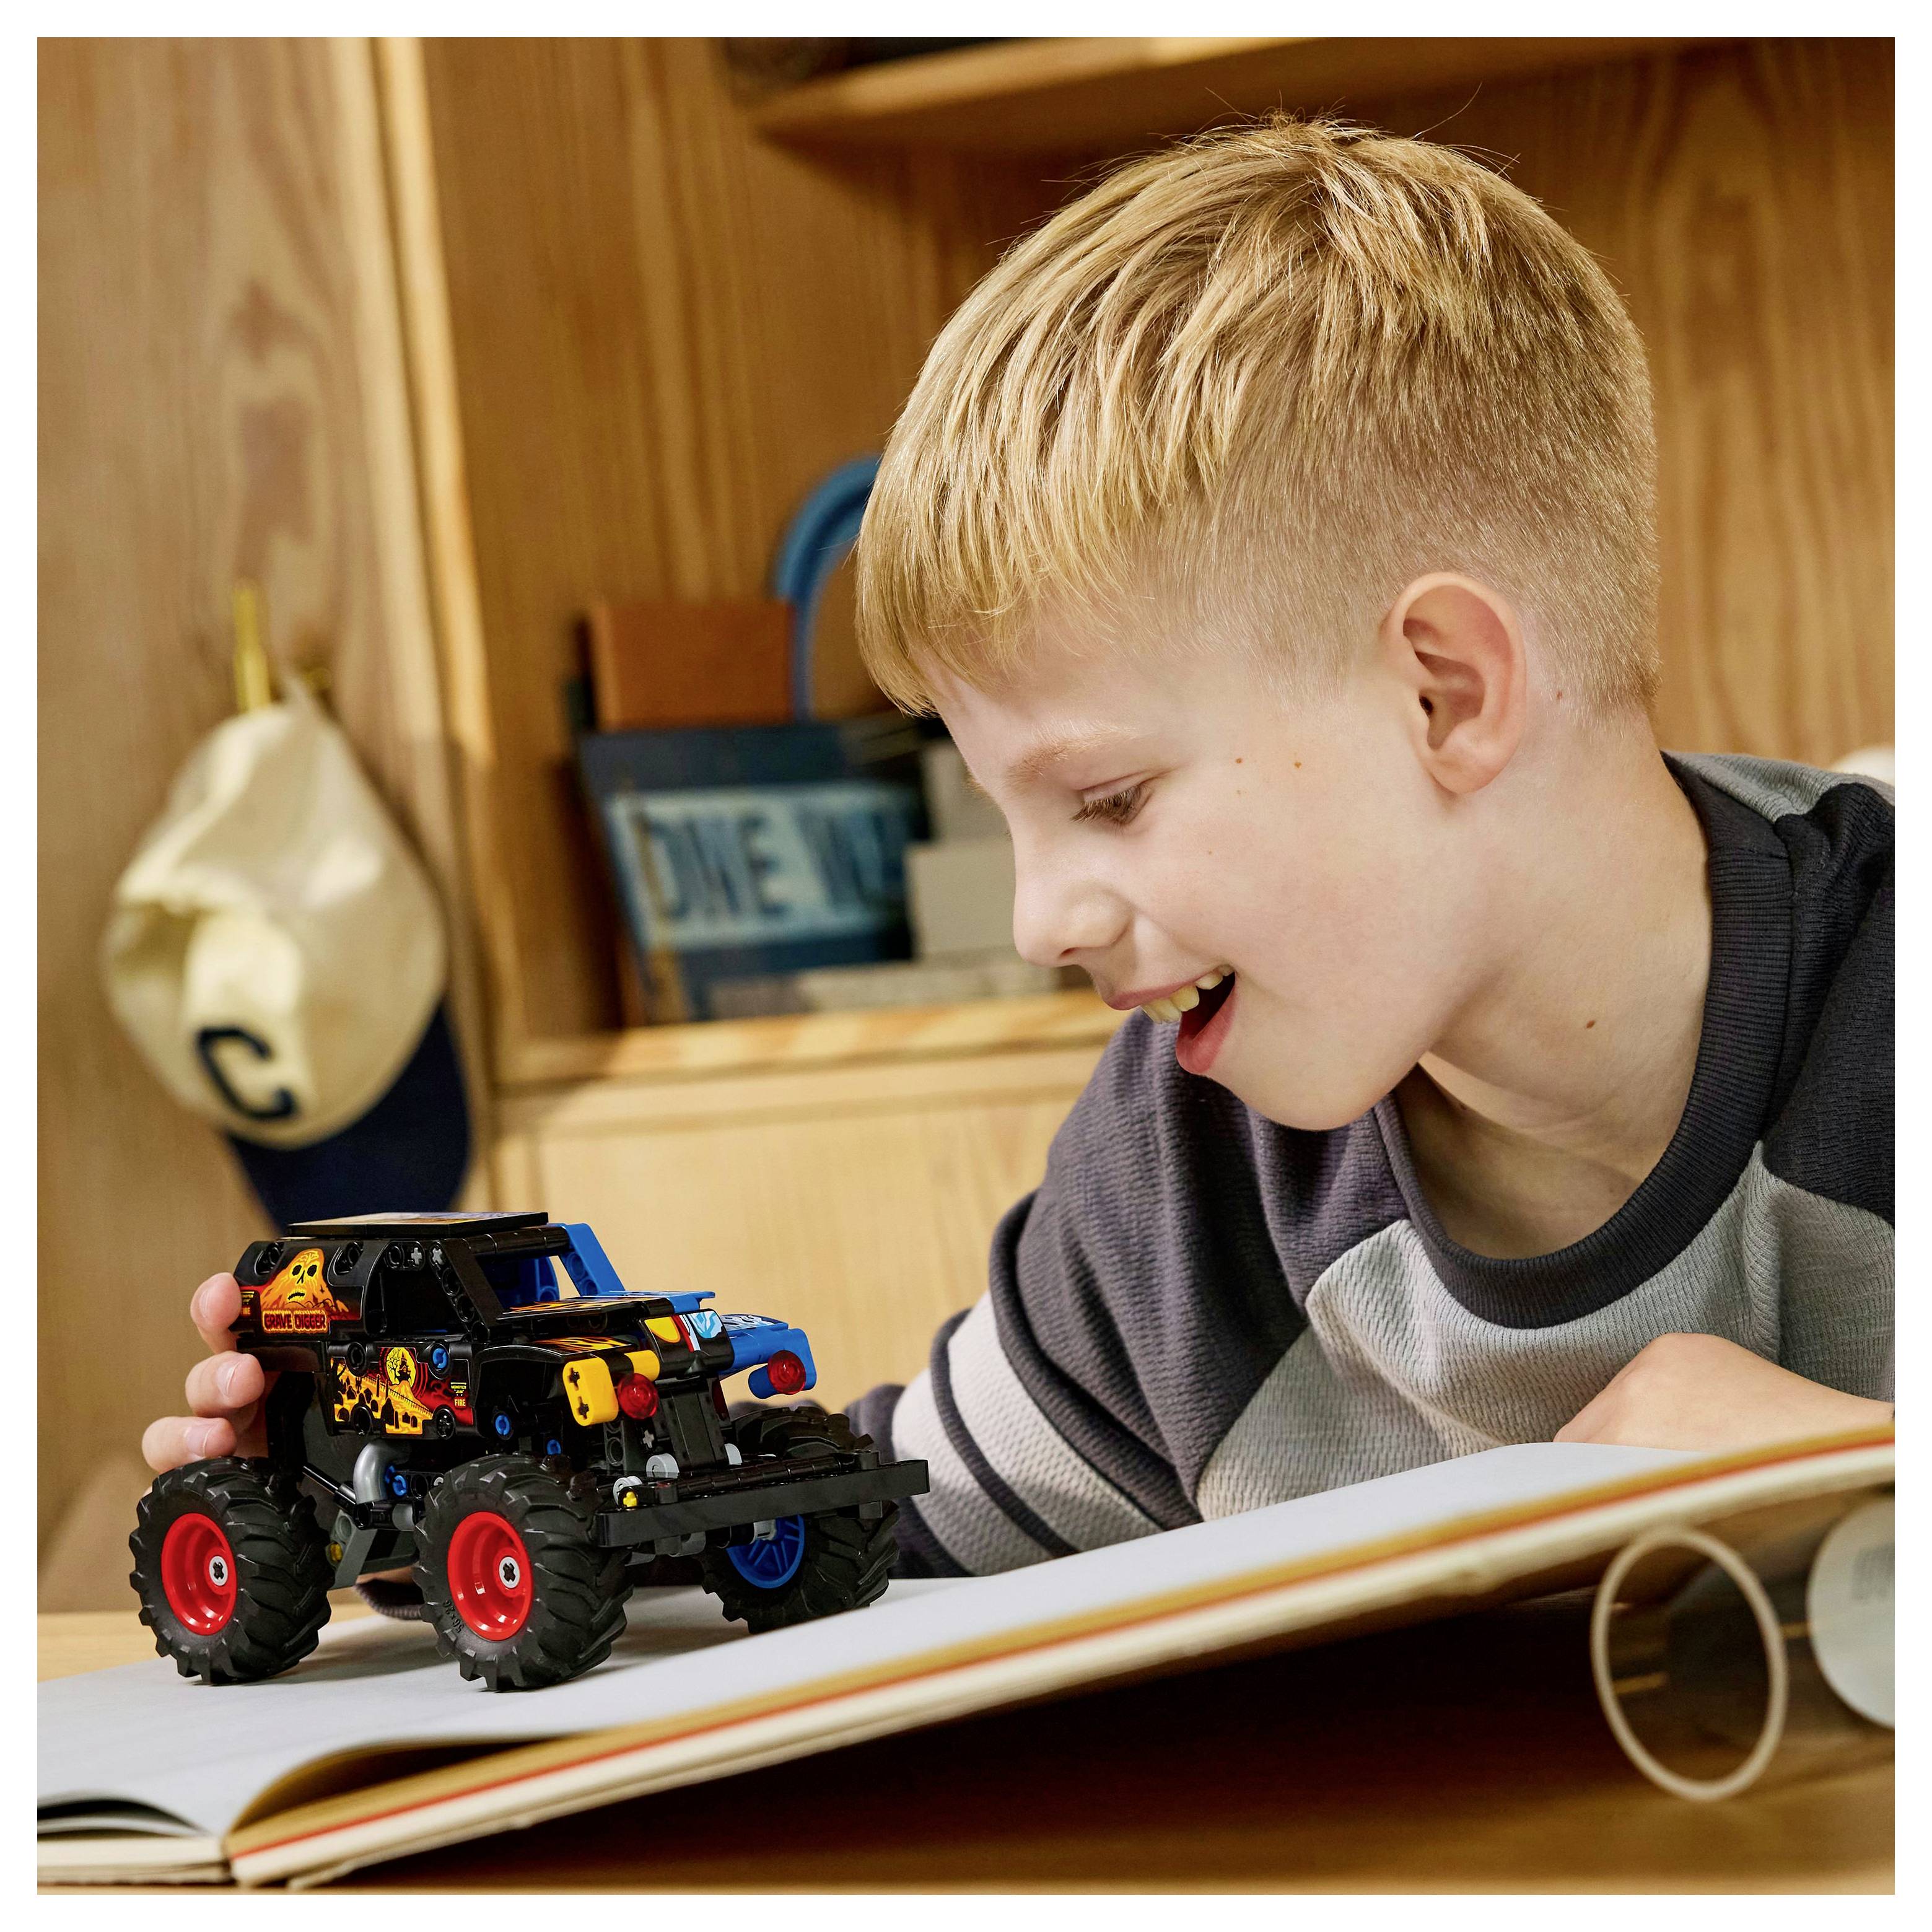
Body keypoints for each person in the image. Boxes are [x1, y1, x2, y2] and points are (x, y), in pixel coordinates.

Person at [144, 118, 1893, 1584]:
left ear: (1445, 692)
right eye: (1005, 816)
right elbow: (870, 1537)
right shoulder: (1178, 1184)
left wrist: (1883, 1486)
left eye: (1109, 800)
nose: (1046, 919)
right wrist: (414, 1511)